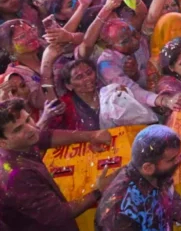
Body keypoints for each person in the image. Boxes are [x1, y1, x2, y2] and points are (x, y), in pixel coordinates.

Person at [0, 97, 116, 230]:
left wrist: (91, 136)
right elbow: (59, 215)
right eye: (18, 129)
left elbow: (45, 136)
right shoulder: (17, 175)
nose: (31, 128)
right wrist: (98, 190)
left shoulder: (22, 142)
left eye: (28, 119)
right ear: (2, 142)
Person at [95, 124, 181, 230]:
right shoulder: (120, 210)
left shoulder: (157, 174)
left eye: (178, 155)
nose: (178, 161)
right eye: (172, 159)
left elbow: (168, 198)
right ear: (148, 167)